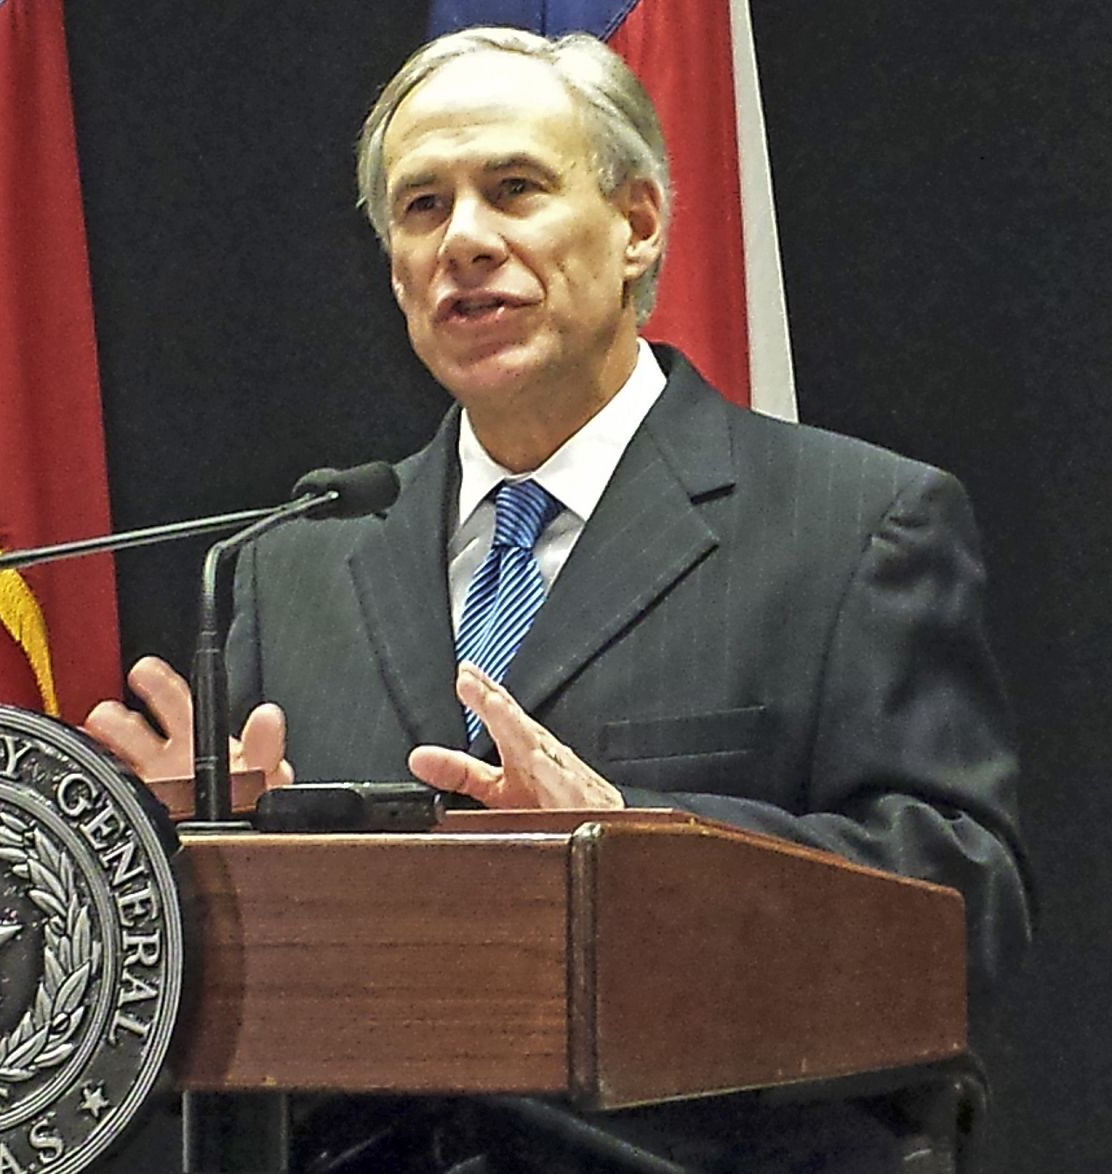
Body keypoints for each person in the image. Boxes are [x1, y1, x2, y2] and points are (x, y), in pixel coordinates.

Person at [86, 26, 1029, 1171]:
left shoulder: (853, 525)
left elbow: (960, 910)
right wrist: (193, 866)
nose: (463, 239)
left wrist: (635, 844)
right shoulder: (294, 566)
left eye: (514, 189)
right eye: (422, 207)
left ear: (637, 224)